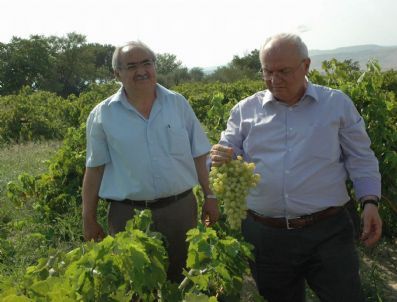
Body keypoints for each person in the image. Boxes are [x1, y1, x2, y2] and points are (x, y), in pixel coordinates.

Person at [210, 33, 382, 301]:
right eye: (267, 72)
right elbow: (228, 152)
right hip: (264, 236)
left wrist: (370, 201)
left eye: (284, 71)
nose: (274, 80)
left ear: (306, 66)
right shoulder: (244, 110)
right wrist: (220, 156)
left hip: (327, 232)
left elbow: (360, 157)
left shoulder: (336, 105)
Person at [82, 41, 219, 282]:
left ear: (155, 66)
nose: (141, 71)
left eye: (147, 63)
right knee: (136, 284)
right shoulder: (103, 115)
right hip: (128, 216)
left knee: (184, 279)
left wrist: (210, 195)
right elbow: (94, 169)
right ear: (117, 74)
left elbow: (199, 154)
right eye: (131, 66)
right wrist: (88, 218)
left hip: (180, 210)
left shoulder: (178, 104)